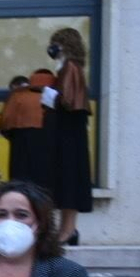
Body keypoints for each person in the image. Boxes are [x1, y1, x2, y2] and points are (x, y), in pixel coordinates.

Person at [42, 27, 93, 245]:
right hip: (70, 131)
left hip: (68, 133)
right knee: (67, 180)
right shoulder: (71, 68)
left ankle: (68, 230)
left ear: (64, 44)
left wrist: (49, 97)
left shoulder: (70, 67)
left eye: (56, 43)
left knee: (69, 179)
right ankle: (67, 229)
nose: (53, 48)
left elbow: (67, 101)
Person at [0, 74, 44, 189]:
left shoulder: (16, 95)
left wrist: (3, 130)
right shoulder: (41, 94)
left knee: (19, 174)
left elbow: (5, 119)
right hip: (42, 138)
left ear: (14, 86)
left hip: (20, 137)